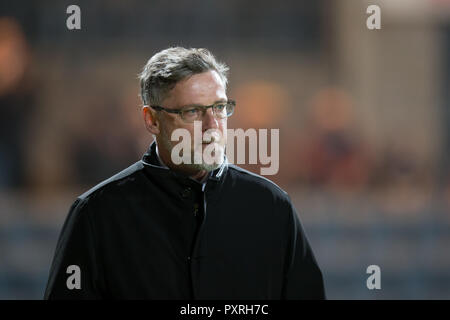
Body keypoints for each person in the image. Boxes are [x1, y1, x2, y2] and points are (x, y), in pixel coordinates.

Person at [44, 47, 325, 299]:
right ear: (151, 119)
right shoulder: (97, 214)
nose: (212, 125)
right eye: (192, 112)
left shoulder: (271, 206)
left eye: (219, 108)